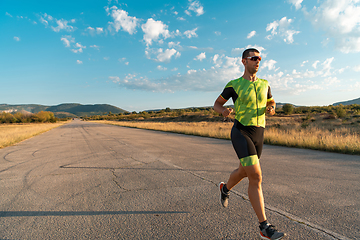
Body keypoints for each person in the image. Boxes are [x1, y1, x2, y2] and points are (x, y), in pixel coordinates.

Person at [213, 48, 286, 240]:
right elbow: (217, 104)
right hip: (241, 131)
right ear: (244, 61)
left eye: (260, 58)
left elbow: (272, 101)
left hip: (259, 133)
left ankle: (225, 189)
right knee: (256, 176)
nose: (258, 61)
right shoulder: (234, 85)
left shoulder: (265, 84)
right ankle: (264, 226)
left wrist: (271, 108)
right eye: (254, 58)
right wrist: (223, 111)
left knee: (244, 172)